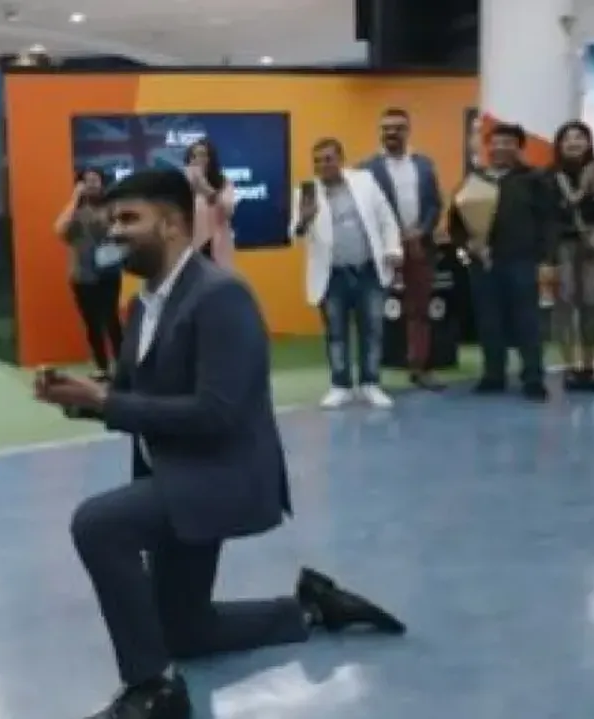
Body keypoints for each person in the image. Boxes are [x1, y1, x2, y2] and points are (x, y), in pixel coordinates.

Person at [36, 169, 406, 719]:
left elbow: (218, 414)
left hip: (222, 479)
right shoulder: (145, 304)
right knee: (184, 630)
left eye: (128, 218)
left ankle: (153, 690)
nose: (115, 231)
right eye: (112, 219)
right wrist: (81, 397)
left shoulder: (221, 296)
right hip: (178, 474)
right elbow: (136, 396)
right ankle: (308, 609)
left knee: (99, 523)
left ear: (174, 224)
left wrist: (106, 402)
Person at [292, 138, 402, 410]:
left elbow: (386, 218)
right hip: (332, 275)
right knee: (336, 333)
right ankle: (340, 385)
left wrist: (393, 249)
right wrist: (305, 218)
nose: (323, 165)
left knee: (373, 329)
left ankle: (370, 384)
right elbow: (294, 234)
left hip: (368, 269)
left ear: (340, 159)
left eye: (328, 159)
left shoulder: (364, 182)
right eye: (317, 161)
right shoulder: (305, 193)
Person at [448, 122, 552, 401]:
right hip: (483, 264)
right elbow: (455, 222)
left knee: (527, 321)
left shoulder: (535, 179)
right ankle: (493, 375)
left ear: (519, 148)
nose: (500, 147)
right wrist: (468, 246)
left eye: (508, 143)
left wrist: (546, 259)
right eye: (495, 142)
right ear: (488, 146)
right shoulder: (475, 179)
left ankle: (533, 377)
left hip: (522, 260)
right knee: (488, 320)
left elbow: (547, 221)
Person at [362, 107, 445, 390]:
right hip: (381, 250)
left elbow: (435, 204)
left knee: (419, 310)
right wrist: (393, 235)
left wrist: (421, 231)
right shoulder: (366, 169)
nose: (392, 133)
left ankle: (420, 368)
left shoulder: (424, 165)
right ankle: (369, 377)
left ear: (408, 131)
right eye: (386, 128)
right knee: (372, 311)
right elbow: (366, 210)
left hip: (419, 246)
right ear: (380, 132)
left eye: (398, 128)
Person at [547, 120, 594, 392]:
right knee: (565, 301)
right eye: (568, 138)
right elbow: (550, 213)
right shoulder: (550, 176)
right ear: (560, 144)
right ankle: (570, 365)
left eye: (580, 137)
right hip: (563, 244)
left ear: (589, 142)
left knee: (590, 302)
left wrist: (587, 192)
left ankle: (588, 365)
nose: (574, 142)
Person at [54, 167, 123, 379]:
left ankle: (122, 366)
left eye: (96, 180)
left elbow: (120, 232)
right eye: (87, 180)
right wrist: (75, 198)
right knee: (91, 323)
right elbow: (59, 229)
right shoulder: (75, 212)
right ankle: (102, 367)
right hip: (82, 275)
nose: (92, 184)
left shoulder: (112, 207)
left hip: (108, 273)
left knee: (111, 320)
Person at [184, 139, 237, 268]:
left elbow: (228, 212)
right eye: (193, 156)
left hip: (216, 248)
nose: (198, 160)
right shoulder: (181, 186)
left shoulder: (223, 182)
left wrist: (206, 188)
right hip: (190, 249)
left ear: (210, 159)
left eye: (203, 155)